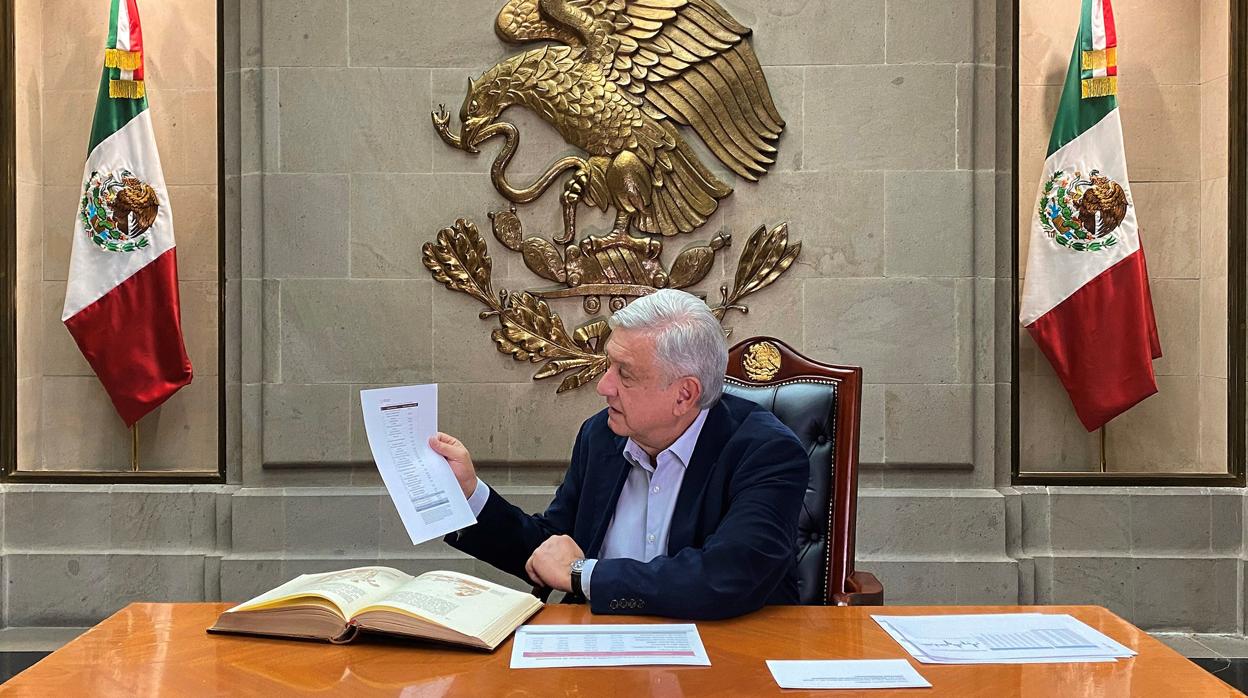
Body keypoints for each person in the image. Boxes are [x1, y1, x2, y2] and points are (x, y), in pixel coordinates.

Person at [429, 289, 808, 620]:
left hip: (724, 662)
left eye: (624, 374)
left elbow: (727, 576)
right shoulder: (601, 436)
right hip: (600, 651)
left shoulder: (766, 453)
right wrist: (470, 495)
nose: (603, 386)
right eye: (609, 364)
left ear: (684, 395)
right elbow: (552, 550)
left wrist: (582, 575)